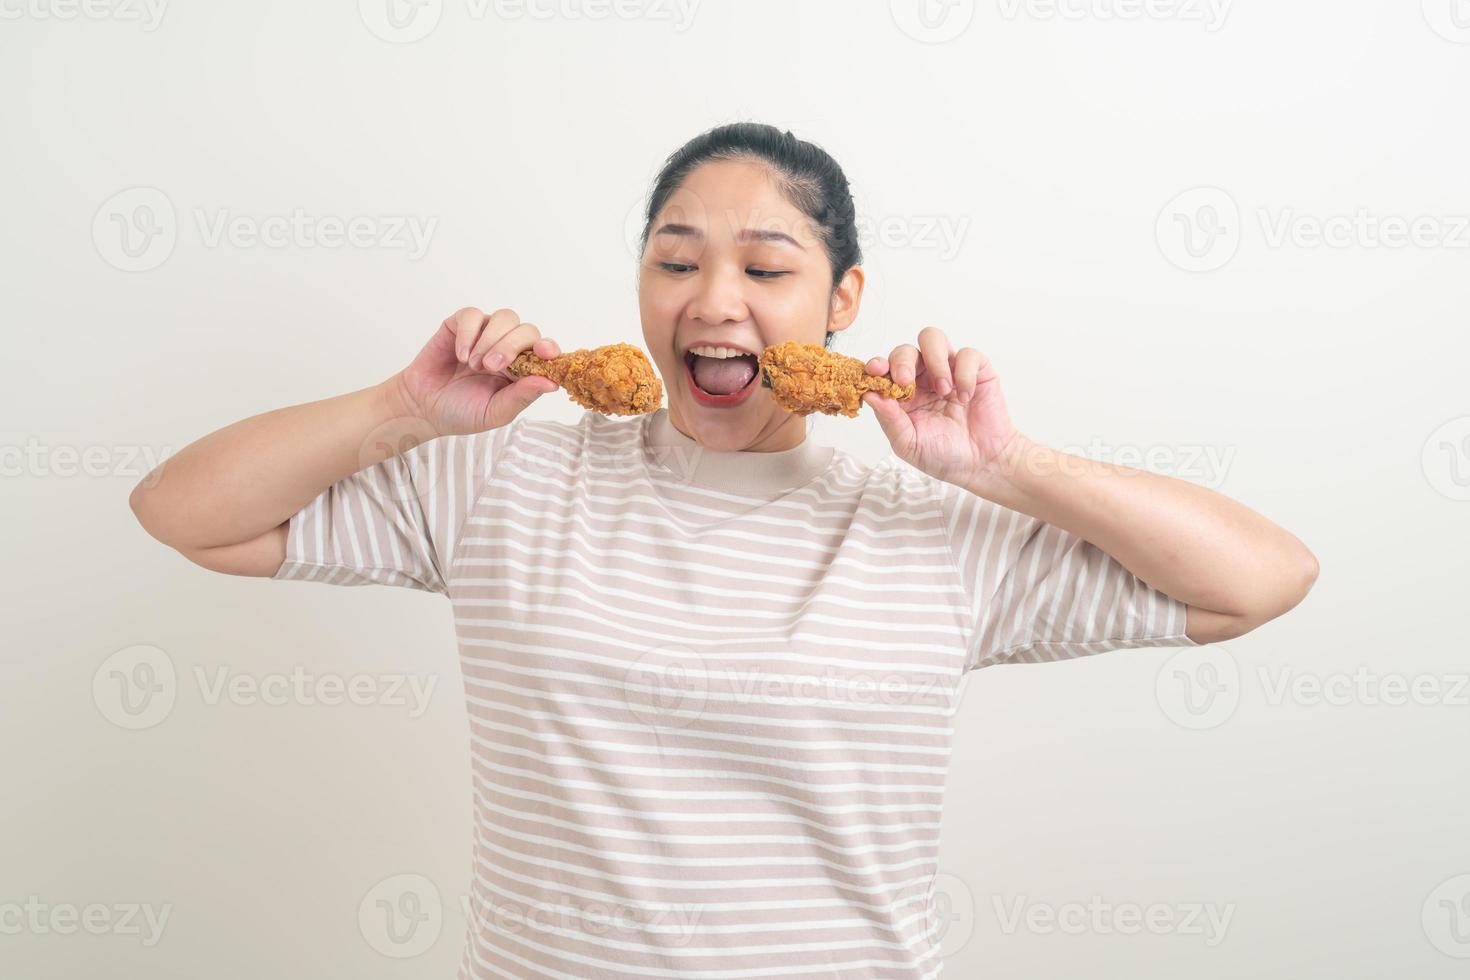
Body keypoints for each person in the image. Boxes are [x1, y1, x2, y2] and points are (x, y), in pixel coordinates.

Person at [130, 122, 1318, 979]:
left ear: (843, 297)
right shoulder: (503, 478)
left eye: (765, 266)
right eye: (677, 257)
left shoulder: (935, 531)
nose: (713, 301)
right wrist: (403, 405)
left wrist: (1005, 467)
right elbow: (186, 511)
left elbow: (1262, 577)